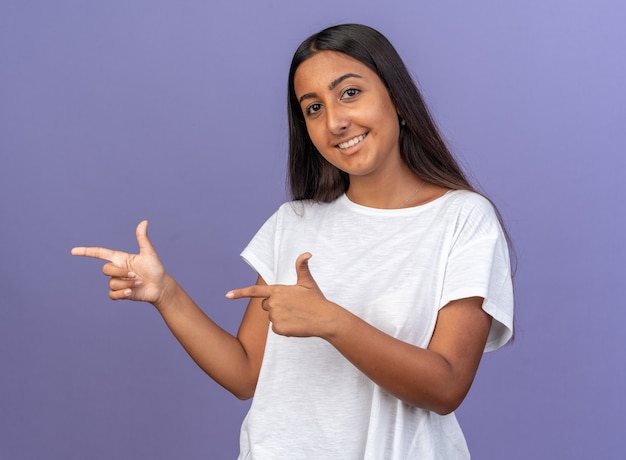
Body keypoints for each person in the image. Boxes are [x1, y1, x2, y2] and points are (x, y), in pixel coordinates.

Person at [72, 23, 514, 459]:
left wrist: (331, 321)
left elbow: (446, 386)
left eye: (350, 93)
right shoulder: (294, 222)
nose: (336, 121)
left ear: (396, 98)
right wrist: (165, 294)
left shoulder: (462, 218)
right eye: (313, 108)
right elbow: (246, 373)